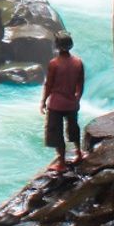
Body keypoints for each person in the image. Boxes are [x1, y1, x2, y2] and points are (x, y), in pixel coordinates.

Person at [41, 30, 84, 171]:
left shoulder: (54, 64)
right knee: (73, 128)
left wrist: (43, 101)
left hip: (56, 105)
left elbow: (49, 85)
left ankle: (61, 162)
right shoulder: (78, 62)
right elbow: (80, 85)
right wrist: (77, 99)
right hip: (71, 103)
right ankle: (79, 152)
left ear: (57, 46)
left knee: (56, 133)